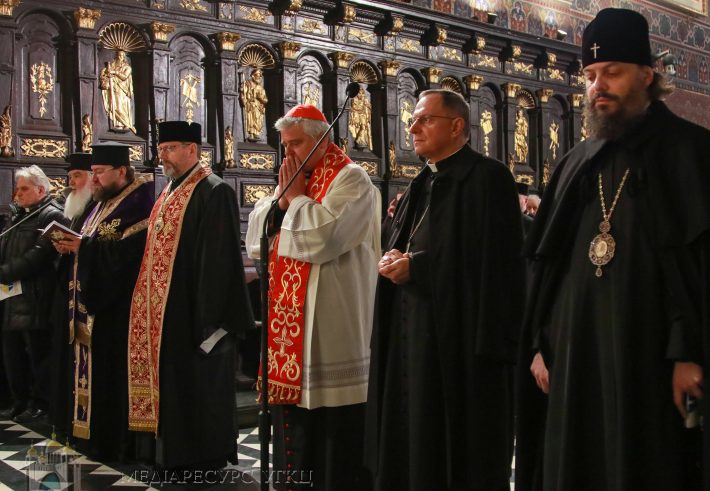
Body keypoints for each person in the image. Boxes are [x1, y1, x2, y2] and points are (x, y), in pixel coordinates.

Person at [515, 8, 710, 491]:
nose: (597, 85)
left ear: (647, 74)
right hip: (575, 355)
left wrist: (690, 355)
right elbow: (547, 264)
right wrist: (540, 343)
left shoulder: (692, 153)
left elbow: (699, 268)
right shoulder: (575, 164)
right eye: (590, 75)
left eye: (612, 73)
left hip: (651, 357)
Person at [365, 89, 524, 491]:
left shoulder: (488, 179)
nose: (413, 127)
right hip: (409, 338)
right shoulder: (420, 183)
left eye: (424, 119)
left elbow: (495, 265)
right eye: (413, 120)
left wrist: (417, 266)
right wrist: (392, 258)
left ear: (457, 127)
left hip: (457, 344)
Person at [246, 104, 380, 490]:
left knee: (334, 436)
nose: (288, 154)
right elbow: (258, 238)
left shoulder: (351, 179)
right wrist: (286, 201)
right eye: (284, 145)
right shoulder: (295, 178)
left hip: (332, 334)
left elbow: (324, 239)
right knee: (296, 432)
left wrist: (292, 202)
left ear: (323, 138)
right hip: (293, 335)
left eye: (297, 143)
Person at [127, 121, 253, 472]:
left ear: (192, 150)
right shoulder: (168, 193)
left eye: (170, 149)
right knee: (174, 388)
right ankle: (170, 454)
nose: (162, 156)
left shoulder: (214, 190)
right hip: (165, 312)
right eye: (161, 149)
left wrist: (208, 320)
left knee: (199, 388)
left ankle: (202, 456)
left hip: (194, 313)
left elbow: (218, 260)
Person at [52, 143, 153, 461]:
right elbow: (89, 243)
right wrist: (70, 246)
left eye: (98, 173)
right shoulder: (99, 203)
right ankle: (88, 434)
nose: (92, 180)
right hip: (88, 307)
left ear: (121, 171)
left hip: (115, 313)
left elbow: (130, 258)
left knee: (110, 379)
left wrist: (85, 249)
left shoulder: (140, 203)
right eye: (92, 173)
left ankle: (111, 442)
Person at [0, 165, 65, 422]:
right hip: (11, 298)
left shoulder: (52, 215)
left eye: (24, 189)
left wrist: (3, 273)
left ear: (41, 189)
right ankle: (19, 400)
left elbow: (37, 257)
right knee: (12, 353)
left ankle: (41, 403)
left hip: (36, 297)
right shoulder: (19, 215)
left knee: (37, 354)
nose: (18, 194)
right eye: (17, 189)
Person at [48, 152, 95, 439]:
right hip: (66, 294)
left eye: (77, 176)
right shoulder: (76, 211)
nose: (71, 183)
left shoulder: (95, 209)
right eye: (69, 177)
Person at [240, 68, 268, 141]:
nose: (259, 77)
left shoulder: (261, 88)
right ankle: (251, 134)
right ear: (253, 76)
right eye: (257, 75)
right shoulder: (247, 84)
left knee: (258, 120)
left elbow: (265, 100)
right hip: (250, 105)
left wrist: (260, 98)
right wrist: (243, 90)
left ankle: (256, 134)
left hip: (259, 107)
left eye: (260, 76)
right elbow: (243, 94)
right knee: (251, 119)